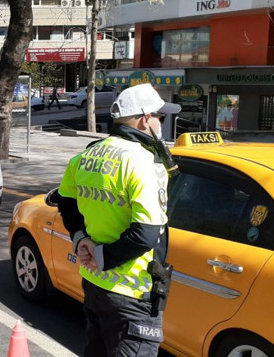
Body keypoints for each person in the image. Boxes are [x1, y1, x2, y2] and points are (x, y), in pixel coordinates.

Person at [57, 83, 180, 356]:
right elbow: (147, 233)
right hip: (131, 292)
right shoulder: (143, 162)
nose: (161, 123)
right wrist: (102, 257)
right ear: (145, 118)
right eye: (160, 116)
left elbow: (66, 203)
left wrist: (81, 241)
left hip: (94, 285)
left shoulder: (86, 155)